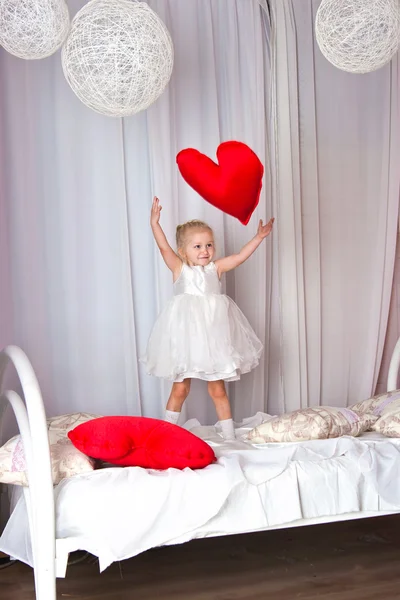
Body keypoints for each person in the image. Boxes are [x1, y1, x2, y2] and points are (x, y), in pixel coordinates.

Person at [142, 196, 274, 440]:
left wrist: (258, 237)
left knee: (217, 388)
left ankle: (229, 436)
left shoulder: (217, 269)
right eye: (198, 246)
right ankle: (165, 433)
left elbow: (241, 257)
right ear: (183, 251)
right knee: (181, 387)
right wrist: (155, 224)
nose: (205, 251)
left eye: (209, 245)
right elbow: (163, 247)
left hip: (213, 341)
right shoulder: (179, 269)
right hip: (186, 341)